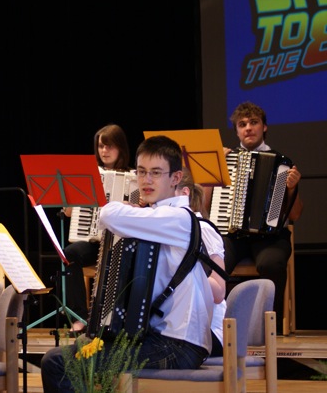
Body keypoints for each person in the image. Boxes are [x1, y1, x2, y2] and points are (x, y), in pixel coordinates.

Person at [41, 135, 215, 392]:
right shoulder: (158, 215)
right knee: (77, 349)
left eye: (156, 173)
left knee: (57, 363)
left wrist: (128, 207)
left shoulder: (177, 217)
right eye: (141, 172)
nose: (146, 180)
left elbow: (108, 214)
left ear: (176, 178)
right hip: (161, 338)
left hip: (177, 345)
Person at [208, 101, 303, 334]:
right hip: (232, 234)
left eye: (253, 122)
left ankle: (270, 329)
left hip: (269, 237)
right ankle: (214, 326)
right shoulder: (225, 159)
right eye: (242, 124)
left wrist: (291, 188)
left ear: (264, 127)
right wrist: (214, 170)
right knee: (213, 263)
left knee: (271, 264)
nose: (248, 128)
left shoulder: (281, 162)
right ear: (237, 131)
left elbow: (295, 215)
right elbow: (204, 207)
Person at [62, 124, 132, 334]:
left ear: (120, 148)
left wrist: (130, 207)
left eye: (109, 146)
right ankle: (79, 317)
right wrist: (72, 201)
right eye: (101, 146)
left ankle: (118, 319)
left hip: (120, 241)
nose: (104, 151)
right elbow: (68, 213)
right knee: (70, 254)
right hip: (94, 241)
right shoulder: (88, 175)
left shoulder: (133, 177)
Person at [176, 167, 226, 357]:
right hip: (182, 327)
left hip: (208, 332)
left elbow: (219, 292)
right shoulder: (168, 230)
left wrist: (180, 274)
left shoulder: (203, 229)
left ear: (184, 194)